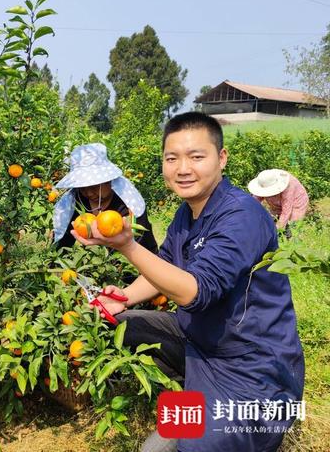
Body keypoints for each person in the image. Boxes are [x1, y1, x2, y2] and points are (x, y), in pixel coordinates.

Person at [71, 112, 304, 452]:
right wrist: (124, 297)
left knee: (190, 447)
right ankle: (191, 396)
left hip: (252, 367)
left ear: (221, 159)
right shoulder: (187, 211)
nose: (183, 168)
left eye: (196, 156)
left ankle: (256, 429)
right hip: (201, 343)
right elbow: (166, 264)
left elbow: (195, 292)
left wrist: (127, 245)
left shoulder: (242, 216)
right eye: (172, 158)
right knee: (118, 324)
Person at [53, 143, 158, 265]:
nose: (88, 192)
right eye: (82, 187)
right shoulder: (77, 200)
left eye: (93, 186)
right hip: (96, 266)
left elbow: (142, 244)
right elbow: (63, 242)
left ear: (109, 180)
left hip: (136, 265)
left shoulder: (128, 204)